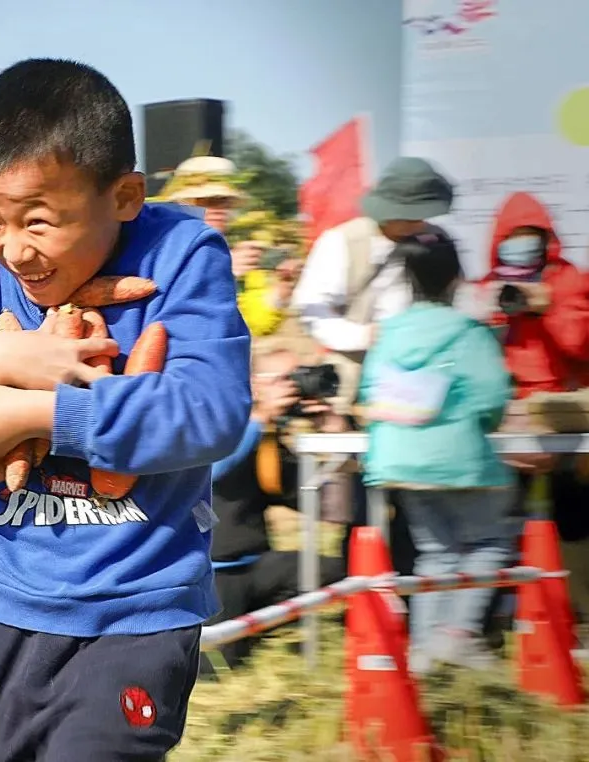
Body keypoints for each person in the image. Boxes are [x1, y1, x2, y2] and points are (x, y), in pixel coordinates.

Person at [0, 58, 252, 761]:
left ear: (123, 196)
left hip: (135, 608)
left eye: (39, 220)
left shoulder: (183, 254)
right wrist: (0, 361)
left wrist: (36, 416)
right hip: (1, 599)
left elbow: (210, 411)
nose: (16, 250)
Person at [358, 227, 515, 673]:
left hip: (400, 461)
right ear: (455, 280)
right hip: (460, 462)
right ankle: (457, 635)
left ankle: (424, 652)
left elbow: (371, 390)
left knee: (436, 552)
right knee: (487, 544)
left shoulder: (390, 333)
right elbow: (491, 396)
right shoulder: (469, 332)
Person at [292, 156, 456, 582]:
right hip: (358, 383)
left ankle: (410, 590)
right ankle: (363, 597)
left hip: (423, 386)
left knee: (418, 495)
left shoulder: (437, 241)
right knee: (364, 500)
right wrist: (363, 336)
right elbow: (312, 310)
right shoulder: (341, 241)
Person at [476, 192, 589, 625]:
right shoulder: (487, 286)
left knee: (574, 517)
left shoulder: (567, 280)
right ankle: (505, 614)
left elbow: (580, 344)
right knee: (501, 518)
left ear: (546, 240)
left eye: (530, 238)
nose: (520, 247)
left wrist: (550, 308)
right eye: (512, 239)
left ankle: (578, 611)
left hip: (559, 416)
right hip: (506, 417)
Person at [203, 341, 347, 670]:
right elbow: (210, 471)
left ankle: (256, 631)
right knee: (220, 669)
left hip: (259, 564)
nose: (294, 387)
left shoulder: (267, 435)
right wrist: (259, 418)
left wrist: (335, 438)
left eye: (299, 376)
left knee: (339, 572)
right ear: (255, 382)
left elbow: (322, 505)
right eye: (285, 378)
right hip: (215, 573)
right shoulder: (217, 420)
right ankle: (241, 634)